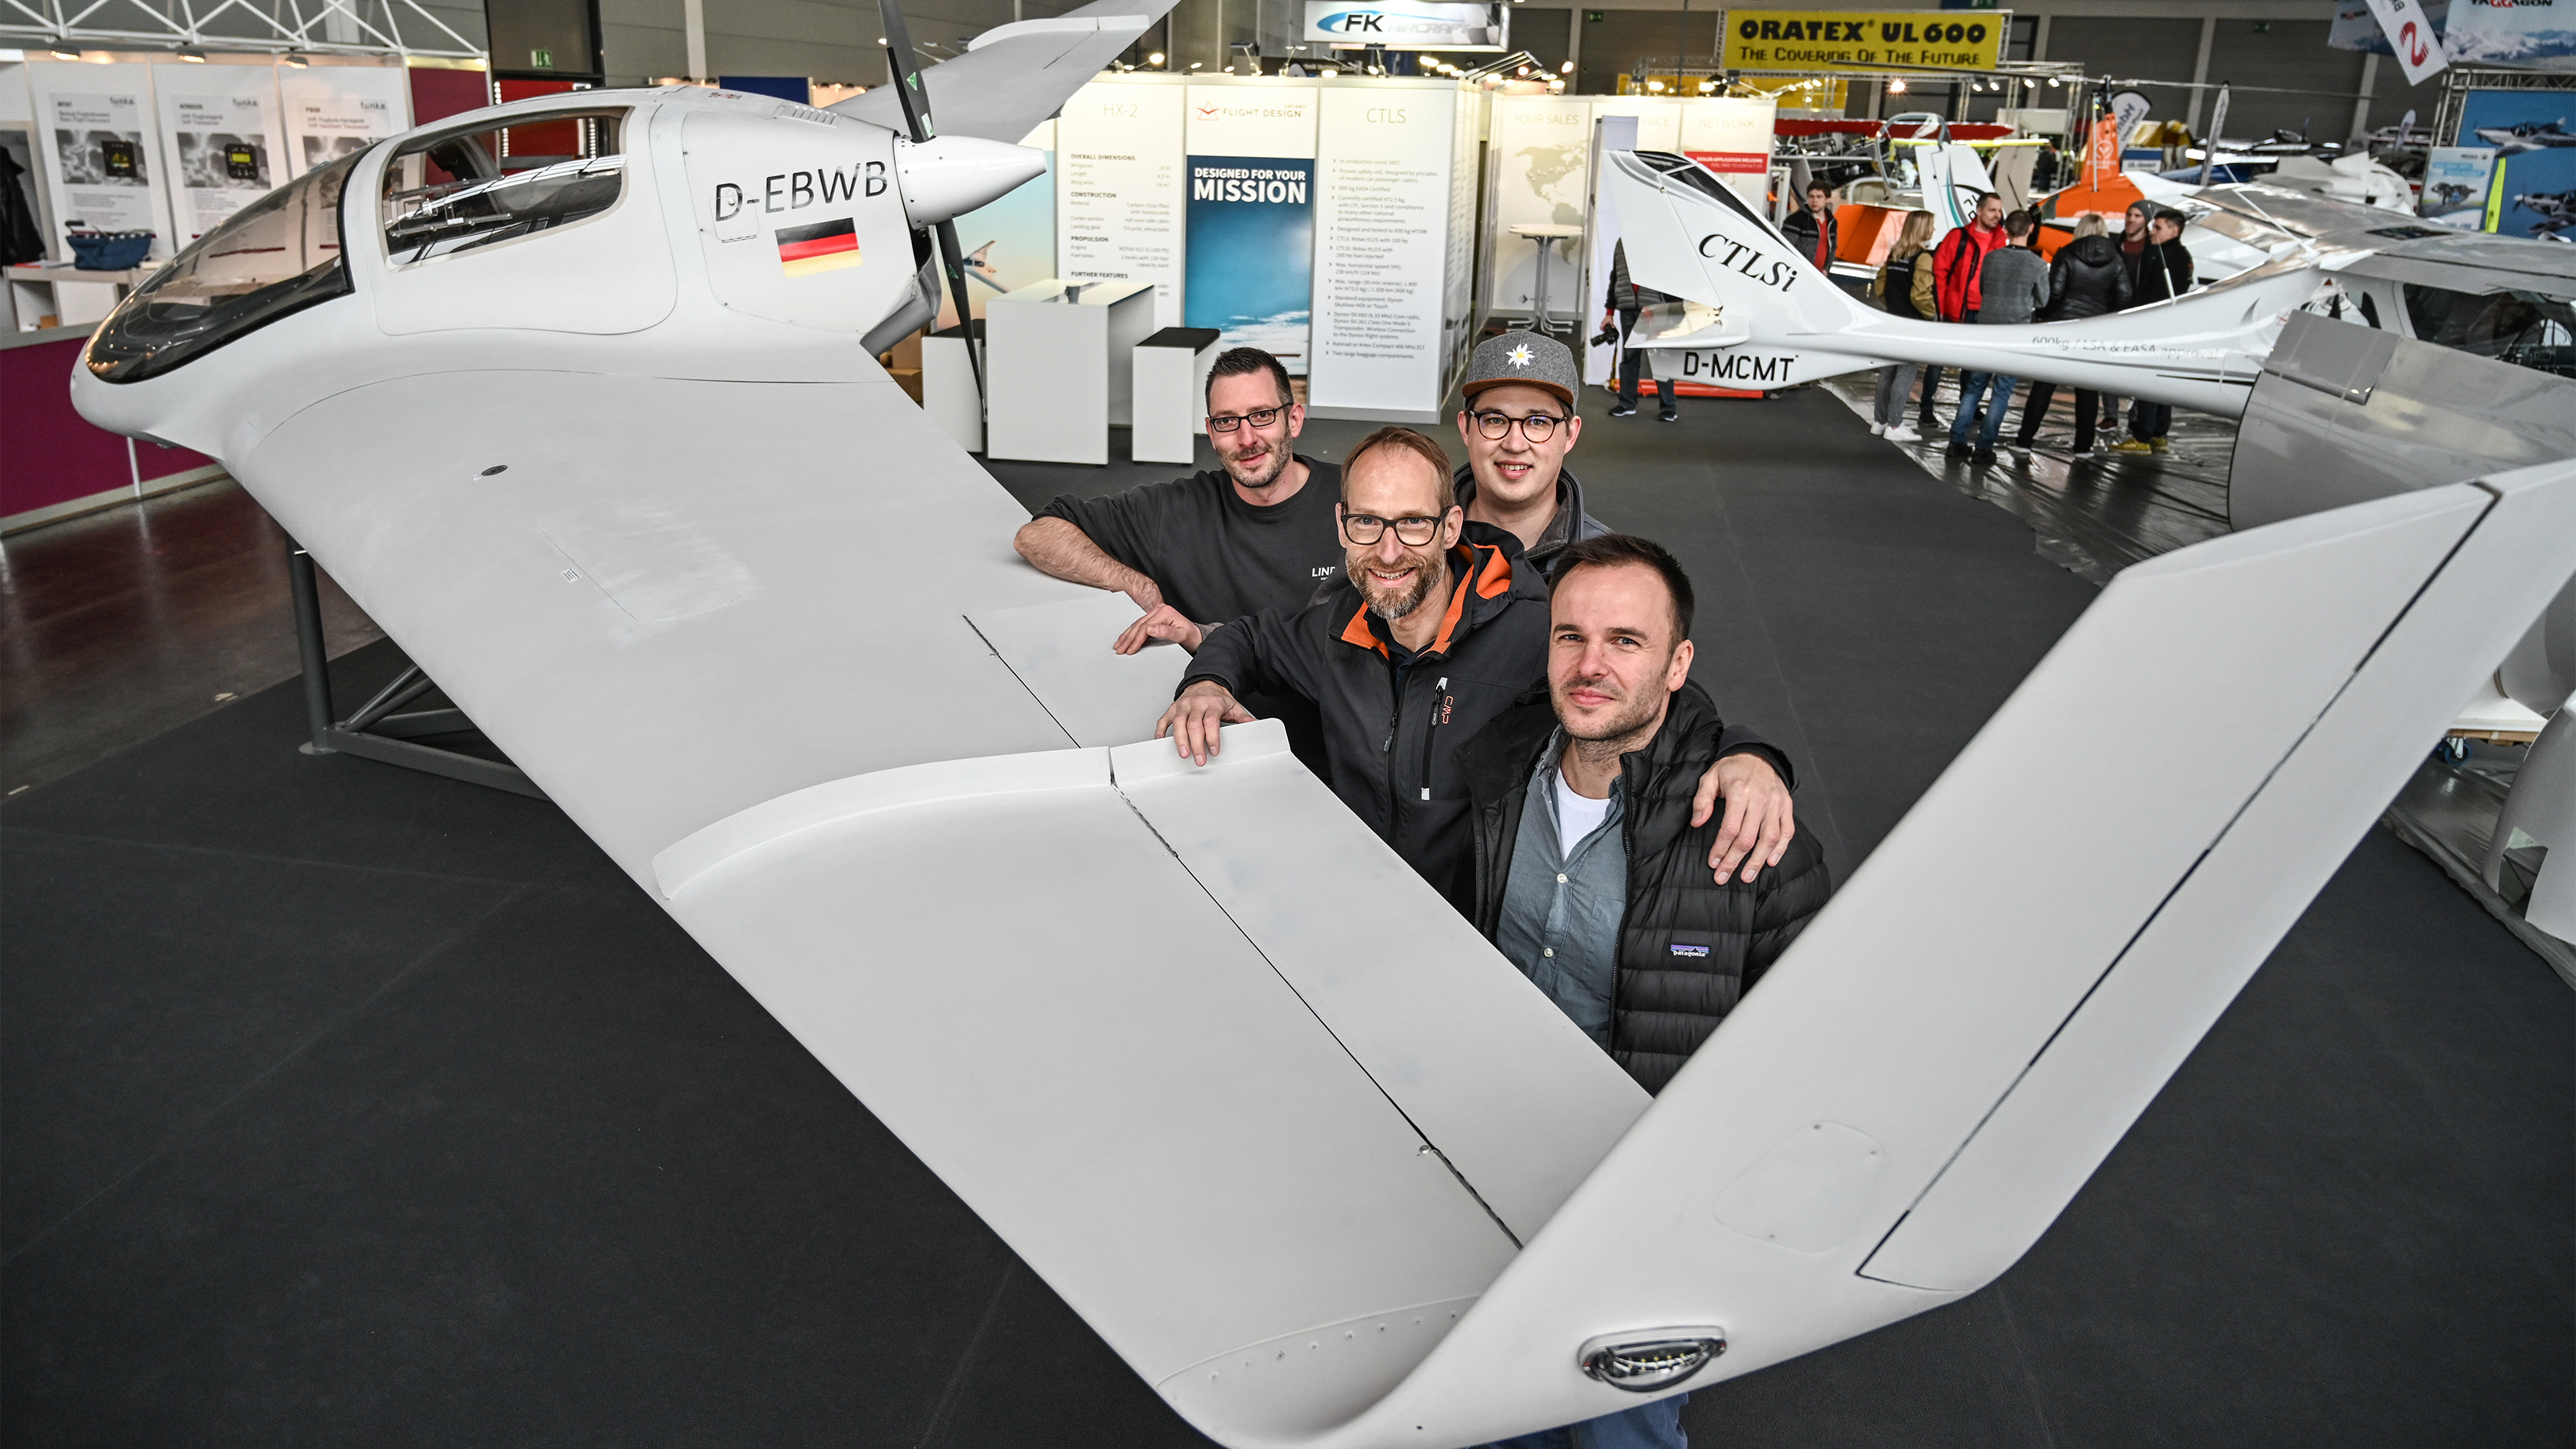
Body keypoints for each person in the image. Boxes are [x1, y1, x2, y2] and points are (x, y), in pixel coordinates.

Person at [1457, 535, 1831, 1449]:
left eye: (1625, 642)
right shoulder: (1489, 777)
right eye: (1569, 637)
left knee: (1616, 1434)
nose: (1589, 667)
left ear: (1677, 663)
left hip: (1643, 1207)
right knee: (1483, 1410)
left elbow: (1812, 1055)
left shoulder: (1751, 841)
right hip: (1492, 1168)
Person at [1156, 427, 1797, 910]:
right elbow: (1247, 637)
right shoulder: (1335, 626)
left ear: (1450, 525)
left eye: (1412, 523)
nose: (1387, 550)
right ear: (1341, 526)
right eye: (1367, 523)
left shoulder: (1530, 627)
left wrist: (1751, 755)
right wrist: (1206, 683)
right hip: (1353, 909)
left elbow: (1646, 689)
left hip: (1473, 935)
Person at [1013, 346, 1342, 655]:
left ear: (1294, 420)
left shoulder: (1356, 500)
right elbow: (1039, 534)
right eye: (1226, 421)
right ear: (1211, 433)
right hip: (1205, 703)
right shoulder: (1175, 510)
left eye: (1262, 415)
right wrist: (1135, 585)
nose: (1246, 439)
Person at [1452, 330, 1611, 576]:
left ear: (1570, 434)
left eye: (1538, 422)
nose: (1515, 444)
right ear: (1466, 428)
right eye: (1495, 420)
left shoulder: (1604, 567)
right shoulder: (1412, 543)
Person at [2013, 213, 2131, 453]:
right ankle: (2083, 447)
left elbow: (2054, 292)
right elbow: (2126, 295)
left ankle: (2025, 440)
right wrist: (2105, 314)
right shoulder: (2116, 260)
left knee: (2043, 386)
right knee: (2087, 391)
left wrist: (2046, 315)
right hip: (2093, 330)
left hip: (2062, 328)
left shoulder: (2066, 253)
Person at [1946, 209, 2048, 465]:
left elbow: (1982, 289)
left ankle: (1956, 442)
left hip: (1986, 329)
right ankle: (1983, 448)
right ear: (2031, 229)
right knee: (2001, 393)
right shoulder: (2037, 265)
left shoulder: (1991, 258)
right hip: (2014, 335)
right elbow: (2043, 300)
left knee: (1973, 389)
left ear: (2005, 230)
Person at [1918, 191, 2005, 434]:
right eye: (1992, 210)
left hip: (1984, 312)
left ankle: (1969, 405)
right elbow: (1940, 271)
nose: (1997, 216)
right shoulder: (1959, 237)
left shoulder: (2000, 241)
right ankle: (1926, 405)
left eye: (1999, 211)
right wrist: (1944, 308)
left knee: (1973, 363)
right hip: (1957, 311)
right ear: (1978, 211)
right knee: (1938, 362)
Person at [2115, 209, 2197, 454]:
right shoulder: (2182, 256)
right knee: (2164, 379)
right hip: (2170, 327)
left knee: (2149, 379)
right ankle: (2160, 432)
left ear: (2174, 230)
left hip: (2154, 326)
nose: (2152, 232)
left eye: (2158, 228)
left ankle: (2143, 435)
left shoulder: (2163, 255)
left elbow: (2152, 293)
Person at [1868, 208, 1935, 441]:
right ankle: (1895, 426)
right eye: (1931, 226)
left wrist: (1893, 307)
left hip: (1893, 319)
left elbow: (1880, 286)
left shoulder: (1895, 253)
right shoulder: (1923, 258)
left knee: (1887, 372)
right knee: (1905, 374)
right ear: (1922, 229)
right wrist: (1933, 316)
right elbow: (1920, 295)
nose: (1934, 230)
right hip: (1912, 324)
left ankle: (1880, 421)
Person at [1601, 239, 1678, 422]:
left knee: (1661, 357)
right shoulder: (1622, 243)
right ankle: (1627, 403)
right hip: (1628, 307)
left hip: (1655, 308)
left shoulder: (1660, 239)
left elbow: (1674, 275)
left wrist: (1671, 308)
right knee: (1629, 357)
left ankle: (1669, 407)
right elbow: (1616, 276)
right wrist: (1609, 312)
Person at [1781, 181, 1840, 274]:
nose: (1814, 200)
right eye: (1811, 196)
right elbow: (1785, 247)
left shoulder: (1832, 222)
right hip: (1798, 272)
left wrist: (1826, 269)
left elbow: (1832, 248)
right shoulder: (1795, 220)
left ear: (1827, 199)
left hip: (1820, 275)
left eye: (1819, 197)